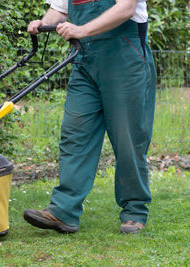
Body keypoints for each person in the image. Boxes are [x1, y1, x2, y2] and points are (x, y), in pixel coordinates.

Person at [23, 0, 157, 234]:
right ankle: (63, 210)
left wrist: (82, 30)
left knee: (128, 139)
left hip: (125, 58)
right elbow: (60, 8)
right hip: (85, 61)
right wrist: (44, 23)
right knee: (75, 134)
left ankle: (134, 210)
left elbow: (126, 8)